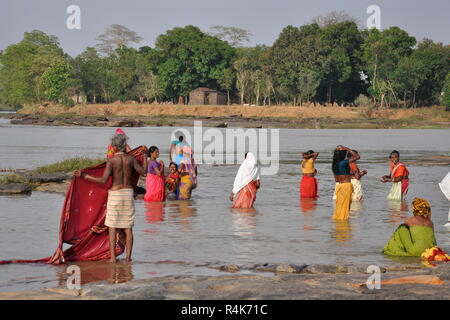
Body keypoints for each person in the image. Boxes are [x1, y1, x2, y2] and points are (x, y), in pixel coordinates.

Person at [74, 134, 148, 263]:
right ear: (125, 145)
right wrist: (146, 156)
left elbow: (103, 180)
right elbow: (144, 172)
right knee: (128, 227)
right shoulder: (131, 159)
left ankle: (113, 259)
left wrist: (85, 176)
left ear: (114, 147)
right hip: (128, 193)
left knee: (112, 227)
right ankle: (128, 259)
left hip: (115, 195)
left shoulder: (112, 160)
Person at [382, 198, 448, 259]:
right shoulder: (430, 222)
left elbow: (403, 234)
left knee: (401, 228)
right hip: (430, 250)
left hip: (416, 251)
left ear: (414, 209)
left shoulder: (410, 220)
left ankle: (396, 249)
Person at [331, 145, 359, 220]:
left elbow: (337, 179)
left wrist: (350, 175)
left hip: (340, 186)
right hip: (346, 186)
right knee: (346, 206)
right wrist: (347, 148)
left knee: (340, 205)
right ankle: (344, 222)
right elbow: (357, 157)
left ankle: (339, 220)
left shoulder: (335, 165)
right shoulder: (343, 162)